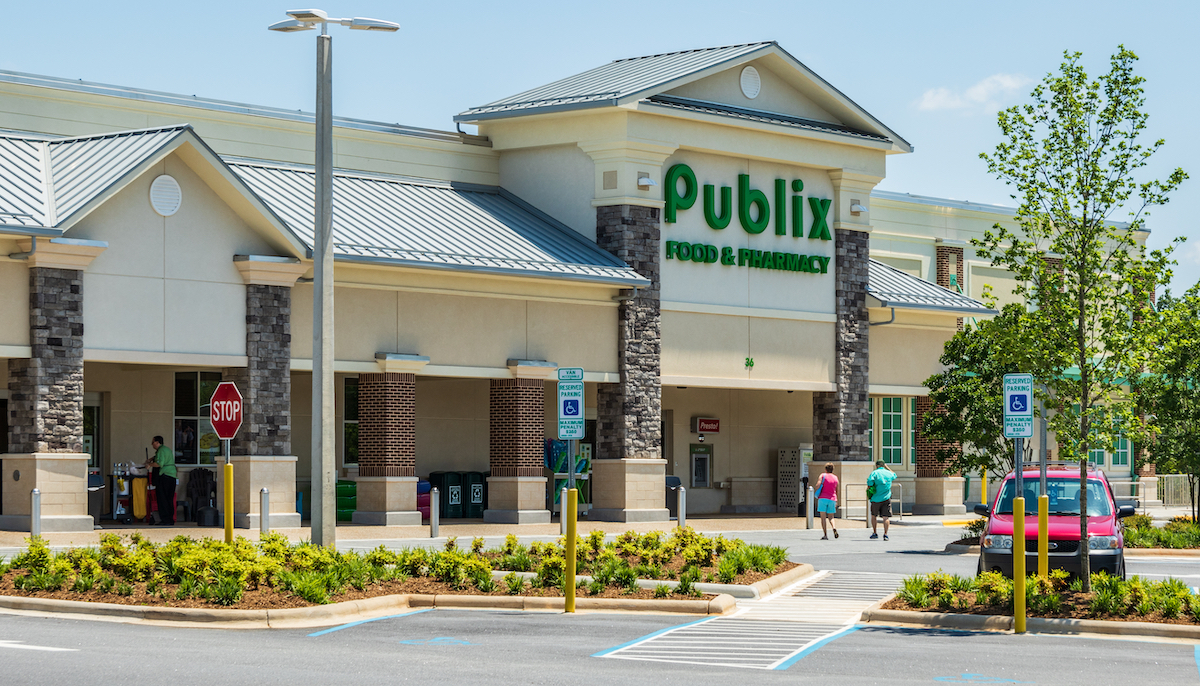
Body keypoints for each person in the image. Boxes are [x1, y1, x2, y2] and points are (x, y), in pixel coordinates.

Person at [147, 435, 176, 525]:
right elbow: (161, 458)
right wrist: (152, 458)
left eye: (153, 442)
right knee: (169, 499)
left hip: (164, 476)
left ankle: (165, 520)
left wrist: (150, 465)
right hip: (172, 476)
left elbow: (160, 463)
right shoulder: (166, 449)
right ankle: (170, 519)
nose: (152, 444)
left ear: (157, 442)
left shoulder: (161, 450)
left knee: (162, 499)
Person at [867, 460, 897, 541]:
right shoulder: (889, 473)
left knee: (874, 515)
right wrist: (887, 467)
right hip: (886, 498)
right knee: (886, 517)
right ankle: (886, 534)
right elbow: (894, 475)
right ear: (884, 465)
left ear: (876, 465)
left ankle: (874, 532)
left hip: (875, 498)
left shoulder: (874, 473)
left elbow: (869, 483)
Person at [813, 463, 839, 540]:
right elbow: (836, 490)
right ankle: (834, 527)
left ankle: (825, 535)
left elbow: (818, 485)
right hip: (832, 499)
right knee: (831, 517)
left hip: (823, 498)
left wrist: (817, 486)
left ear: (825, 469)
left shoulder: (822, 475)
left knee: (823, 518)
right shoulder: (835, 478)